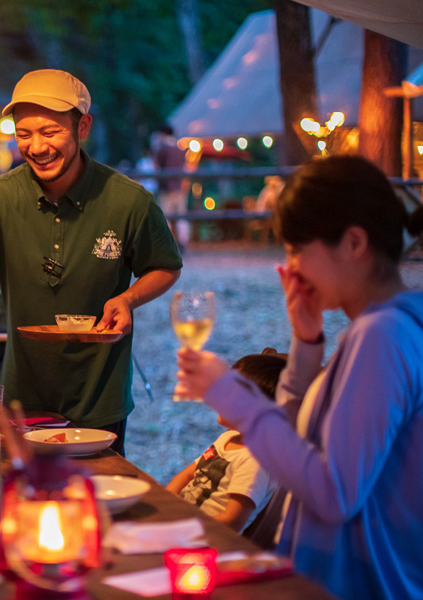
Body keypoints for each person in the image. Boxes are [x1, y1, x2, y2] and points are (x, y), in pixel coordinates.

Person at [175, 155, 423, 600]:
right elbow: (294, 444)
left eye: (295, 249)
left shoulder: (382, 335)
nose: (289, 268)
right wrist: (306, 344)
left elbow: (333, 493)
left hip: (355, 583)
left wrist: (237, 398)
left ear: (353, 243)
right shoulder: (390, 323)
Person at [0, 69, 182, 454]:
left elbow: (166, 266)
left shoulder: (129, 201)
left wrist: (127, 299)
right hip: (22, 399)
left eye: (50, 131)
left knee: (96, 500)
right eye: (23, 134)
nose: (36, 146)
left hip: (99, 398)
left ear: (83, 126)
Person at [166, 352, 285, 532]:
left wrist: (183, 523)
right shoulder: (227, 438)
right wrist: (165, 501)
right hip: (180, 521)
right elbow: (188, 475)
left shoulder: (255, 462)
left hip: (208, 538)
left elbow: (231, 521)